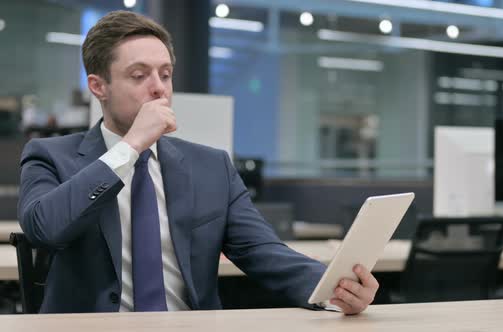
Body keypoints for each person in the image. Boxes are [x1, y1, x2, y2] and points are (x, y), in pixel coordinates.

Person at [18, 10, 378, 314]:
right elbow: (44, 228)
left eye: (165, 73)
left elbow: (262, 251)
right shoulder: (51, 156)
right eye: (139, 75)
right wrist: (130, 147)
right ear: (99, 86)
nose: (159, 87)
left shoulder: (211, 167)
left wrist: (333, 288)